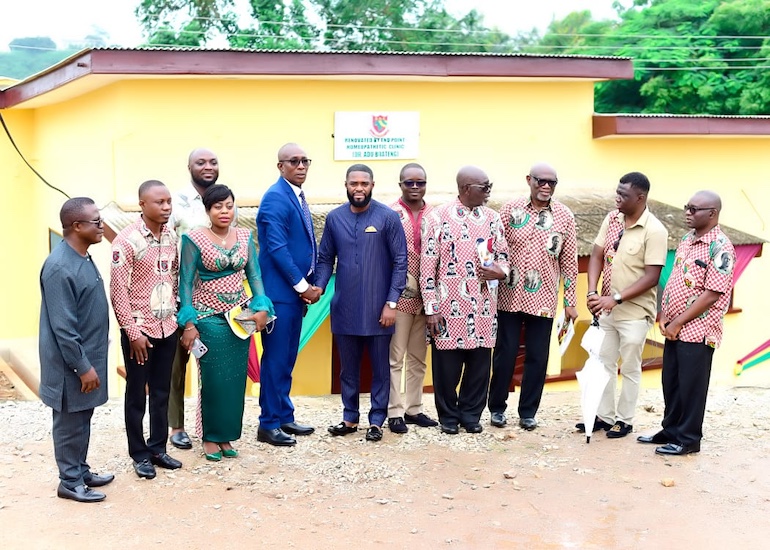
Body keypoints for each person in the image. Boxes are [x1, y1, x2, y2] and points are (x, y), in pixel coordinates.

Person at [177, 184, 275, 461]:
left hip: (239, 317)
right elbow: (185, 283)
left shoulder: (245, 236)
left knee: (234, 380)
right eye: (218, 206)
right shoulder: (193, 240)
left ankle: (226, 437)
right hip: (207, 316)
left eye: (229, 206)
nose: (224, 211)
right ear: (208, 210)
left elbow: (254, 276)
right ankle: (210, 437)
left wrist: (261, 305)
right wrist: (189, 323)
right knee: (214, 379)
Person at [316, 164, 408, 442]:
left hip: (379, 309)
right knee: (348, 369)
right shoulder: (334, 218)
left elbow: (400, 262)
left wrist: (391, 302)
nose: (359, 188)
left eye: (364, 184)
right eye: (354, 183)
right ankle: (349, 418)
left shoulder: (388, 218)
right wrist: (318, 287)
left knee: (381, 369)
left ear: (372, 185)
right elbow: (324, 259)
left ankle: (377, 420)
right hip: (344, 308)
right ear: (346, 185)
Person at [638, 191, 734, 455]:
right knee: (672, 381)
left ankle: (689, 439)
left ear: (712, 213)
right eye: (687, 207)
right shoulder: (687, 240)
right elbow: (676, 279)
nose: (688, 213)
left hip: (698, 330)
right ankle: (670, 430)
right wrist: (665, 313)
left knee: (692, 386)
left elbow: (712, 293)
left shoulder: (721, 247)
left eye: (694, 209)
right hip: (675, 327)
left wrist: (679, 321)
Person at [488, 163, 578, 431]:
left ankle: (528, 412)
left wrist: (571, 301)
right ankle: (497, 408)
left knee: (538, 356)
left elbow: (570, 263)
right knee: (505, 353)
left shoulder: (565, 216)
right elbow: (494, 247)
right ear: (529, 180)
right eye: (541, 181)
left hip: (543, 298)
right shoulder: (509, 210)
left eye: (552, 182)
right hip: (509, 296)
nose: (546, 186)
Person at [422, 166, 510, 435]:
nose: (488, 191)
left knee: (480, 366)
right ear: (464, 189)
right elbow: (427, 266)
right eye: (484, 187)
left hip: (484, 308)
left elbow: (504, 257)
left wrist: (500, 271)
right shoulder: (438, 218)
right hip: (448, 308)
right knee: (447, 368)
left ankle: (471, 415)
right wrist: (431, 308)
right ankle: (448, 417)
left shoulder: (494, 219)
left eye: (489, 186)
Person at [39, 197, 114, 503]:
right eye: (96, 222)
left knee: (83, 417)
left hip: (87, 356)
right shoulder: (59, 266)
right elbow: (63, 328)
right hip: (70, 363)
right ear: (77, 226)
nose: (102, 226)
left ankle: (80, 470)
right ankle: (69, 481)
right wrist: (82, 366)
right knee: (70, 421)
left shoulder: (81, 255)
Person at [585, 172, 668, 438]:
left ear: (640, 198)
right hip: (606, 309)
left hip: (634, 313)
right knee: (603, 361)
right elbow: (596, 254)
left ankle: (625, 420)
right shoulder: (611, 219)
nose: (617, 198)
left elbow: (652, 276)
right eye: (617, 192)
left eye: (624, 195)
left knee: (630, 367)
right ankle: (604, 417)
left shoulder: (655, 230)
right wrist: (591, 292)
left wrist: (616, 298)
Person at [110, 180, 182, 479]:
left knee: (162, 392)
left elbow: (176, 276)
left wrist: (178, 317)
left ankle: (158, 447)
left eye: (168, 201)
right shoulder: (126, 241)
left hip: (168, 328)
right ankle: (139, 454)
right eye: (159, 202)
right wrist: (132, 332)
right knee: (137, 394)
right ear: (142, 205)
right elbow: (118, 291)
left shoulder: (171, 235)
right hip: (140, 333)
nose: (166, 207)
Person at [256, 143, 322, 446]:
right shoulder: (274, 198)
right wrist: (302, 286)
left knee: (286, 359)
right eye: (293, 161)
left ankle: (283, 415)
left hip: (292, 296)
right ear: (280, 165)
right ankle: (268, 423)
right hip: (279, 295)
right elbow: (277, 249)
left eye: (304, 161)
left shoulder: (295, 195)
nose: (301, 166)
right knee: (276, 359)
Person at [166, 148, 221, 451]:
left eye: (213, 162)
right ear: (189, 167)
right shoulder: (175, 203)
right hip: (179, 295)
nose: (208, 167)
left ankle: (211, 425)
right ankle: (176, 426)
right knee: (177, 364)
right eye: (201, 162)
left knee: (212, 364)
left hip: (213, 299)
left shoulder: (223, 201)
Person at [386, 163, 438, 434]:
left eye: (420, 182)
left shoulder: (436, 215)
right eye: (409, 183)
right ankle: (394, 411)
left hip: (427, 298)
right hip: (400, 297)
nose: (415, 187)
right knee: (396, 356)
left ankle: (414, 408)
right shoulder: (389, 214)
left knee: (419, 356)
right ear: (401, 185)